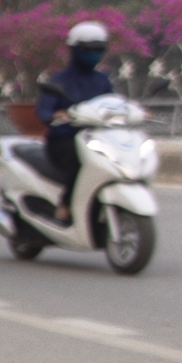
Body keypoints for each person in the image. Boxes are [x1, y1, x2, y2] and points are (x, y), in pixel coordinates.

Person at [36, 20, 116, 223]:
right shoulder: (59, 80)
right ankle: (65, 205)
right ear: (74, 50)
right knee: (80, 163)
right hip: (64, 141)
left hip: (96, 139)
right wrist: (55, 115)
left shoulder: (102, 80)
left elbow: (113, 103)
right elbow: (44, 110)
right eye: (88, 49)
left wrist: (135, 111)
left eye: (99, 50)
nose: (93, 54)